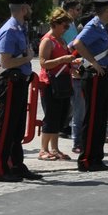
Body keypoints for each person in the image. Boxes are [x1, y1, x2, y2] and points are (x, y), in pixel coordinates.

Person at [0, 0, 41, 181]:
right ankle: (1, 169)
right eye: (29, 6)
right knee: (7, 127)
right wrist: (28, 58)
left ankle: (16, 165)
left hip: (19, 81)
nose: (31, 9)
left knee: (17, 128)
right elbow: (5, 62)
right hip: (10, 81)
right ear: (23, 8)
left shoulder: (20, 28)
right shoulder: (10, 30)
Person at [70, 0, 108, 172]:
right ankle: (87, 159)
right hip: (94, 75)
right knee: (92, 118)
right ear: (106, 11)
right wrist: (92, 62)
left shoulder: (103, 27)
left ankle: (96, 157)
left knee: (100, 118)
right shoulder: (93, 25)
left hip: (103, 74)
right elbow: (76, 44)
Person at [36, 9, 79, 161]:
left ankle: (54, 148)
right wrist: (62, 60)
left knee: (60, 116)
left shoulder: (61, 40)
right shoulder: (48, 40)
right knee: (51, 116)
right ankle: (43, 149)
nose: (66, 30)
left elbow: (65, 60)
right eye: (65, 26)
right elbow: (43, 63)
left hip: (63, 82)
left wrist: (72, 64)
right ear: (55, 24)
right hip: (50, 83)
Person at [58, 0, 85, 137]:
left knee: (71, 96)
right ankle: (62, 124)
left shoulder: (73, 24)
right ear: (70, 10)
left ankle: (64, 124)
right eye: (77, 9)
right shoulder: (65, 24)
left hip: (72, 60)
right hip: (65, 61)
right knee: (69, 96)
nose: (79, 12)